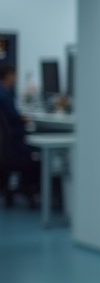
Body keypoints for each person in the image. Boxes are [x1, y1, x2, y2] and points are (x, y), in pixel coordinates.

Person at [0, 64, 40, 208]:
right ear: (9, 75)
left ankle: (24, 189)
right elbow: (14, 119)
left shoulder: (4, 93)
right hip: (13, 147)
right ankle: (29, 189)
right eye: (14, 75)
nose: (16, 79)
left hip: (6, 148)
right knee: (38, 158)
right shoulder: (4, 95)